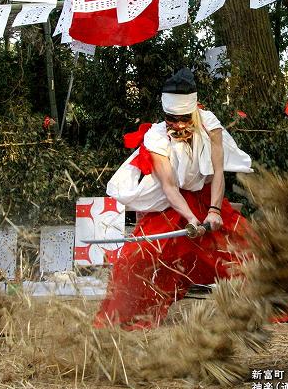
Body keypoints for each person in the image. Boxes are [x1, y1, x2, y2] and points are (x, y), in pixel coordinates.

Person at [94, 68, 254, 330]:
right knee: (138, 257)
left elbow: (217, 172)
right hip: (171, 203)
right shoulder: (157, 137)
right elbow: (169, 186)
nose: (178, 125)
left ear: (193, 112)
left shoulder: (210, 125)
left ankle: (272, 303)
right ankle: (123, 318)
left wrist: (213, 211)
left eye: (183, 118)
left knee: (246, 244)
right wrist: (191, 219)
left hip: (206, 196)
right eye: (172, 119)